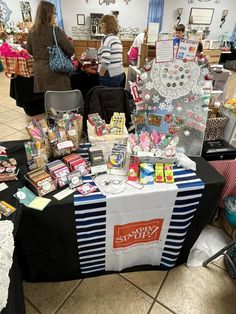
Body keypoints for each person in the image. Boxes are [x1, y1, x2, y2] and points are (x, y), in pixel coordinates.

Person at [26, 1, 74, 93]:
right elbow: (70, 50)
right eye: (54, 13)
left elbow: (29, 50)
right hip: (56, 71)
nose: (55, 15)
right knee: (60, 102)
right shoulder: (55, 31)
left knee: (47, 101)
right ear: (49, 14)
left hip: (40, 72)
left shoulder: (32, 32)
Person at [97, 15, 125, 87]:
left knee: (106, 96)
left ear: (105, 25)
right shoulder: (116, 38)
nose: (100, 26)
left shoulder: (107, 39)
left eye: (102, 24)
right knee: (115, 96)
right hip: (120, 74)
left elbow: (106, 60)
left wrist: (101, 74)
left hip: (110, 76)